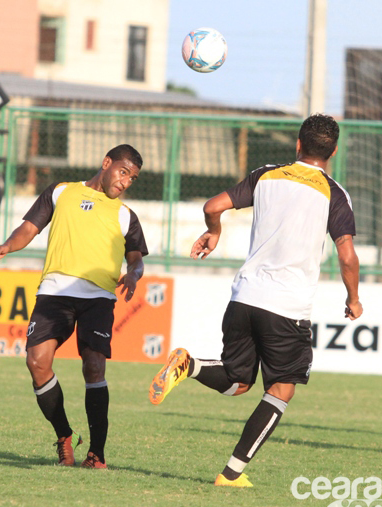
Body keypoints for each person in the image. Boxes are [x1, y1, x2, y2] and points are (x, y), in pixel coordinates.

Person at [149, 113, 362, 487]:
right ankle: (231, 474)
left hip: (244, 297)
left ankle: (190, 365)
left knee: (238, 381)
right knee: (281, 389)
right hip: (287, 308)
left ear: (297, 144)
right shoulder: (334, 193)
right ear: (335, 152)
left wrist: (213, 233)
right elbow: (346, 255)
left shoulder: (267, 174)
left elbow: (213, 206)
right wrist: (354, 298)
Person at [0, 144, 148, 469]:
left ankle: (97, 453)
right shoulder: (61, 192)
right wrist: (7, 246)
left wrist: (134, 275)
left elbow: (136, 259)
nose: (126, 182)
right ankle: (64, 435)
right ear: (106, 162)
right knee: (36, 362)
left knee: (94, 366)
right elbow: (29, 228)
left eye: (133, 179)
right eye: (124, 172)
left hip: (98, 297)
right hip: (55, 292)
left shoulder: (126, 216)